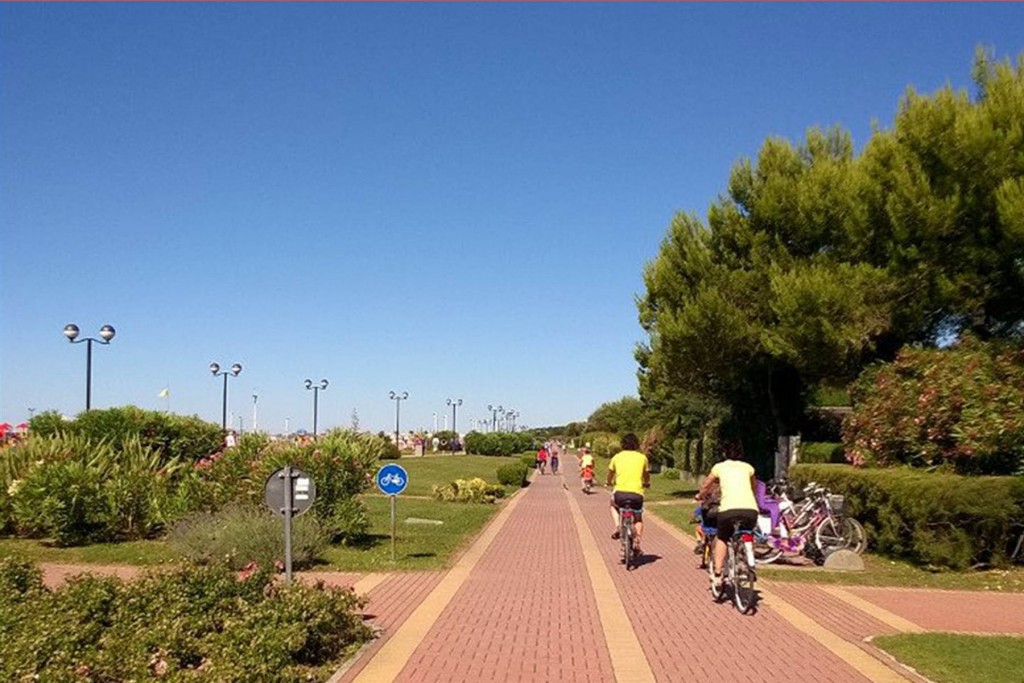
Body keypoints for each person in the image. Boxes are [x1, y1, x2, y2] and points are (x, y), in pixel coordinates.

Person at [698, 452, 758, 590]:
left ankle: (718, 574)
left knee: (723, 537)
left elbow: (706, 485)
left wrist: (700, 495)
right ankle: (748, 560)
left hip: (728, 510)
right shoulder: (748, 467)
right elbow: (753, 486)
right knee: (748, 533)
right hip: (750, 509)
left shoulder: (719, 467)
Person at [606, 433, 650, 554]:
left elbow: (610, 473)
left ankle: (617, 526)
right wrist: (647, 483)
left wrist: (608, 482)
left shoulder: (617, 457)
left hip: (620, 494)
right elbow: (646, 475)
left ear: (622, 444)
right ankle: (637, 542)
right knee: (638, 518)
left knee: (612, 505)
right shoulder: (642, 458)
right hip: (636, 495)